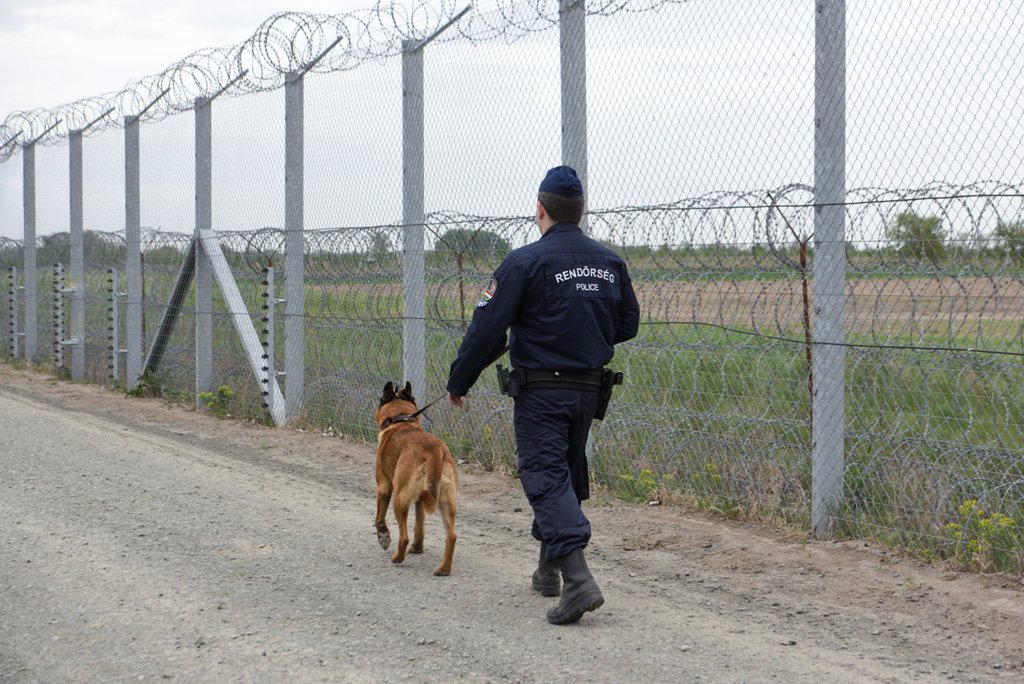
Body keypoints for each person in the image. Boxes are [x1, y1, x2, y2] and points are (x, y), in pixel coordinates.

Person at [446, 165, 640, 624]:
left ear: (540, 209)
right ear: (581, 209)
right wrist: (584, 333)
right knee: (564, 473)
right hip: (588, 392)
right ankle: (546, 571)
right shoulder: (609, 262)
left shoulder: (524, 262)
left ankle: (578, 580)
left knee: (543, 473)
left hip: (542, 392)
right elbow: (628, 323)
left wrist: (460, 380)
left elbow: (488, 328)